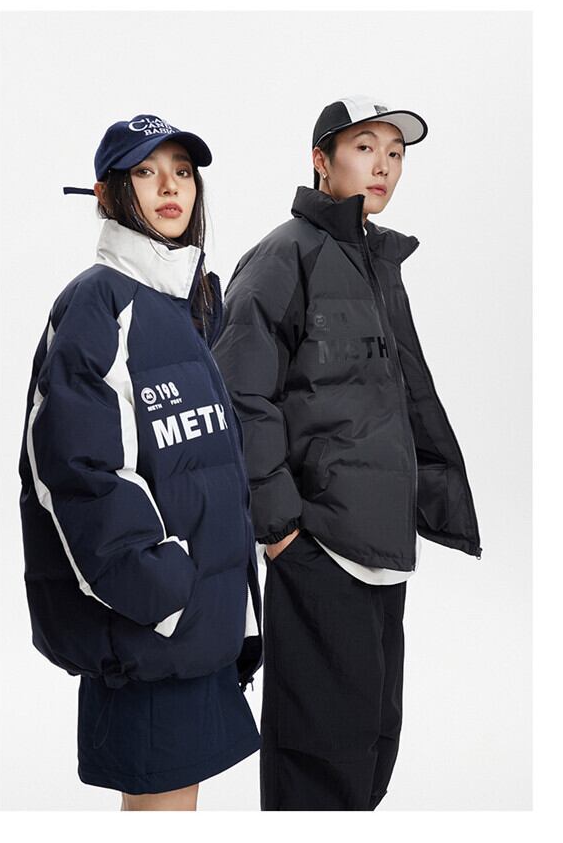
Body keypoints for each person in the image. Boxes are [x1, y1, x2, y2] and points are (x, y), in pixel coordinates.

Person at [211, 95, 483, 811]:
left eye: (395, 154)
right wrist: (280, 530)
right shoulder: (284, 255)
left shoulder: (375, 262)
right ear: (321, 161)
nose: (383, 166)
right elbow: (239, 392)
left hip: (381, 553)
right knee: (318, 765)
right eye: (365, 148)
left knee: (371, 753)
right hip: (319, 550)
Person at [18, 113, 262, 811]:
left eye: (182, 172)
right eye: (146, 172)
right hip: (149, 631)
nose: (170, 187)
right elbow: (76, 469)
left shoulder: (188, 303)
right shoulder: (98, 302)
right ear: (107, 193)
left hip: (197, 627)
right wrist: (162, 594)